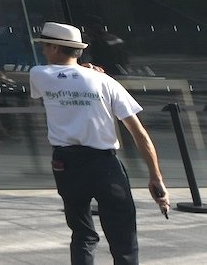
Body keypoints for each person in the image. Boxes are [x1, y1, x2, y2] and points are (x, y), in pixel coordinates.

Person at [29, 21, 170, 265]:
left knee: (82, 233)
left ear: (54, 48)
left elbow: (62, 77)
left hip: (66, 164)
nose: (43, 51)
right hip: (104, 165)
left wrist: (81, 71)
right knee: (123, 236)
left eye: (44, 46)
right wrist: (155, 176)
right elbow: (140, 134)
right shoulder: (106, 82)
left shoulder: (39, 75)